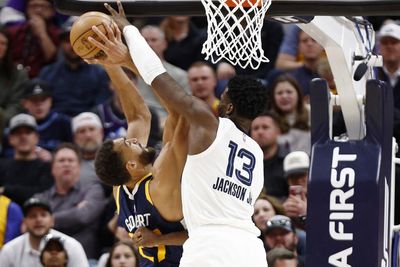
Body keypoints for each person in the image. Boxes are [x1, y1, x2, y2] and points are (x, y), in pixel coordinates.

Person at [96, 2, 269, 266]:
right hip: (250, 250)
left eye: (221, 98)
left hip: (209, 246)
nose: (216, 103)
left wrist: (129, 30)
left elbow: (159, 77)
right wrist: (120, 61)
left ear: (230, 107)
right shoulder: (256, 152)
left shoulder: (209, 125)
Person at [87, 23, 188, 266]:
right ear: (131, 164)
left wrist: (108, 62)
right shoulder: (159, 184)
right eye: (128, 143)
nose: (133, 139)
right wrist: (130, 60)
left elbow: (138, 117)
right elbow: (178, 112)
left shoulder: (120, 188)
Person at [34, 143, 106, 262]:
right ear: (52, 168)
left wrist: (47, 219)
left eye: (71, 160)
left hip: (86, 260)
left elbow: (83, 216)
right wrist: (75, 211)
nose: (66, 164)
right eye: (61, 161)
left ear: (79, 167)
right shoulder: (41, 198)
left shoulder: (94, 190)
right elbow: (31, 224)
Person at [0, 197, 88, 267]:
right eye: (32, 216)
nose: (38, 220)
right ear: (24, 222)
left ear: (52, 220)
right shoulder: (10, 250)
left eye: (43, 215)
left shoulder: (71, 246)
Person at [0, 113, 53, 206]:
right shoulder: (2, 166)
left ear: (36, 138)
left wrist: (6, 190)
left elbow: (43, 194)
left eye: (28, 132)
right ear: (10, 139)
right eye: (18, 133)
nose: (23, 137)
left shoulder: (46, 168)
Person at [5, 0, 61, 77]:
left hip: (45, 80)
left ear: (52, 11)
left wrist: (42, 34)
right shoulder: (13, 32)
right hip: (14, 79)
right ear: (26, 9)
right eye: (33, 6)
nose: (38, 10)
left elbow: (53, 59)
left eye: (43, 7)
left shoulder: (59, 34)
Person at [21, 79, 73, 152]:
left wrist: (53, 157)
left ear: (51, 101)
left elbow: (73, 151)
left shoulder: (63, 122)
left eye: (43, 100)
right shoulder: (19, 124)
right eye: (34, 100)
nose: (39, 105)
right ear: (25, 103)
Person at [268, 74, 311, 154]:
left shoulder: (312, 113)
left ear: (298, 93)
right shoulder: (269, 120)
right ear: (273, 97)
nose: (284, 96)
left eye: (289, 92)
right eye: (279, 93)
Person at [250, 111, 289, 200]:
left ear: (278, 131)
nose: (260, 132)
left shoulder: (288, 161)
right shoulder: (243, 162)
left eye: (265, 127)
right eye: (255, 128)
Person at [0, 27, 28, 135]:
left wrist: (2, 120)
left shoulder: (17, 73)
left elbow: (16, 104)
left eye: (3, 44)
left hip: (4, 125)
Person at [282, 151, 309, 229]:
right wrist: (283, 215)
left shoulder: (327, 199)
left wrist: (307, 214)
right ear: (287, 180)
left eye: (302, 175)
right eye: (293, 177)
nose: (299, 180)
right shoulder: (284, 206)